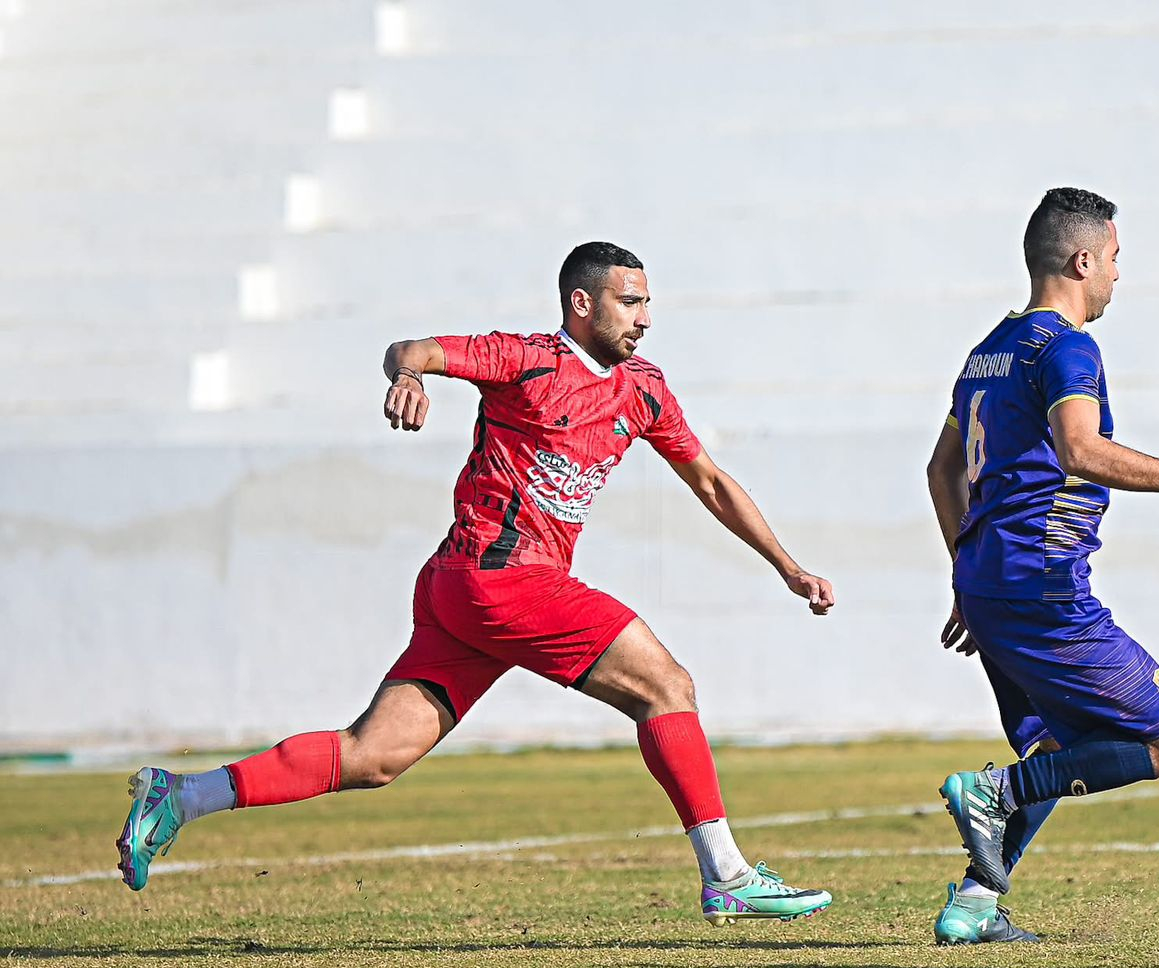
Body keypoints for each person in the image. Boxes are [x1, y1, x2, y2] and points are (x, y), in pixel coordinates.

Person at [117, 241, 835, 925]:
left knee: (373, 756)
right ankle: (729, 877)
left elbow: (709, 482)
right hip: (501, 578)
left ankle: (180, 796)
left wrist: (789, 566)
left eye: (648, 303)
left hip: (465, 590)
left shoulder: (644, 391)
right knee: (667, 686)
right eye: (630, 302)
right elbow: (413, 350)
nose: (644, 318)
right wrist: (408, 376)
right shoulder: (525, 359)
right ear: (581, 303)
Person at [924, 189, 1159, 944]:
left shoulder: (988, 349)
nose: (1117, 275)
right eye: (1114, 259)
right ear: (1083, 260)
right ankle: (993, 792)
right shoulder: (1067, 348)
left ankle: (976, 905)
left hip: (991, 581)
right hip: (1043, 585)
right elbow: (1080, 450)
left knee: (1058, 744)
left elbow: (940, 469)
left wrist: (968, 570)